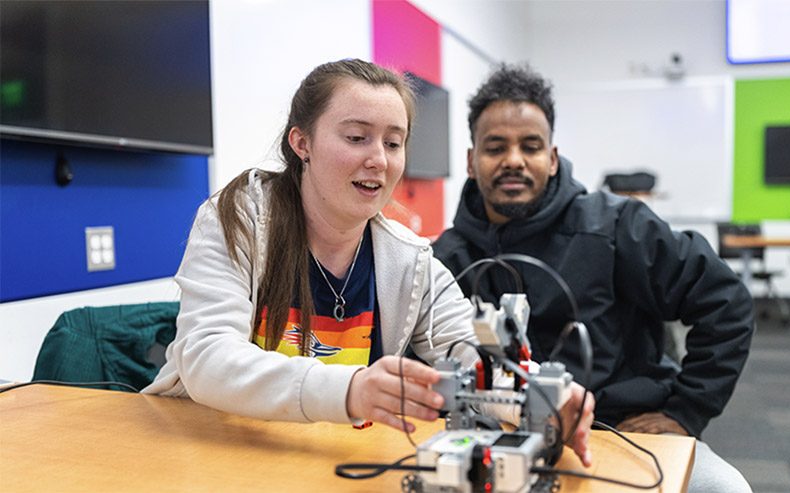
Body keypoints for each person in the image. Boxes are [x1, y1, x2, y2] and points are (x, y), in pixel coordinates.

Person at [143, 59, 593, 465]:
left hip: (321, 457)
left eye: (393, 143)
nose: (378, 159)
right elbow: (206, 358)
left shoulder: (409, 258)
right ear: (302, 142)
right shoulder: (241, 219)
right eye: (356, 137)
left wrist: (541, 393)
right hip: (207, 448)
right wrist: (352, 389)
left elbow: (472, 355)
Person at [432, 64, 755, 492]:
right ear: (472, 162)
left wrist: (686, 412)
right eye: (496, 147)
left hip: (619, 429)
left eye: (530, 146)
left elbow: (725, 301)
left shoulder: (617, 226)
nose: (514, 160)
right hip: (493, 434)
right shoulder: (446, 256)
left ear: (551, 157)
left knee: (724, 489)